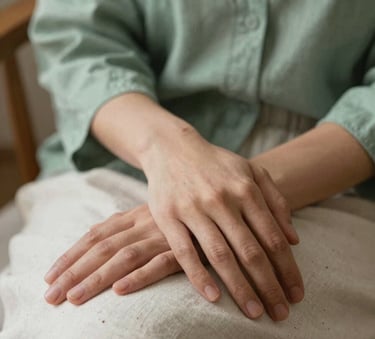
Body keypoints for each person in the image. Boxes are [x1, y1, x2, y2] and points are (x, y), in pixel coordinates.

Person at [1, 1, 375, 338]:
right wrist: (172, 154)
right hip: (122, 157)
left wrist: (234, 197)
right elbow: (78, 41)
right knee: (82, 319)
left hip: (330, 187)